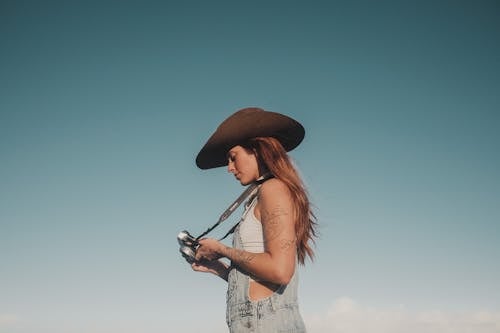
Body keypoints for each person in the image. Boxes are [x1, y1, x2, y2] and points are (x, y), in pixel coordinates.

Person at [191, 107, 318, 332]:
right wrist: (219, 269)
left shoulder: (273, 189)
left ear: (257, 150)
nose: (229, 168)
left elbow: (280, 270)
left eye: (233, 157)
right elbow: (261, 281)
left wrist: (222, 249)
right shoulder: (260, 195)